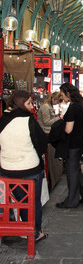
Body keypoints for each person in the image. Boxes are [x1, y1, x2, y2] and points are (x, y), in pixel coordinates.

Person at [0, 90, 48, 242]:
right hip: (29, 170)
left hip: (6, 169)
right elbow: (41, 144)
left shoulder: (3, 119)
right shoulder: (29, 120)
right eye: (29, 103)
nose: (32, 105)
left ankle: (13, 227)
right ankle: (34, 233)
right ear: (21, 104)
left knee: (14, 201)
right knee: (33, 202)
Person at [56, 82, 83, 208]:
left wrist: (61, 123)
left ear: (68, 94)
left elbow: (68, 130)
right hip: (82, 142)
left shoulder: (73, 108)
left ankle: (72, 200)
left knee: (72, 171)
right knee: (75, 169)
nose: (62, 97)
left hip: (73, 144)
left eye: (62, 95)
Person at [37, 91, 63, 189]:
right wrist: (59, 118)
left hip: (49, 132)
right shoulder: (45, 107)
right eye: (58, 101)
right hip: (46, 133)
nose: (59, 103)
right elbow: (47, 122)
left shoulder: (49, 106)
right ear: (53, 99)